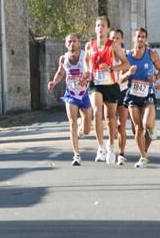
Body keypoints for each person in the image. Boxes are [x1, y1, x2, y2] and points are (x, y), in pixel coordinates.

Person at [84, 16, 129, 164]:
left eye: (103, 25)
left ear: (108, 28)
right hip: (95, 83)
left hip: (110, 84)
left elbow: (126, 64)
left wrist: (110, 68)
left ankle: (111, 146)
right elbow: (86, 61)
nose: (100, 28)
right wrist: (87, 72)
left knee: (110, 118)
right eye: (98, 25)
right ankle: (100, 147)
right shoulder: (89, 45)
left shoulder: (114, 45)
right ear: (95, 28)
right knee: (97, 111)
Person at [122, 28, 160, 168]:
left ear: (146, 39)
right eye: (138, 36)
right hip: (132, 95)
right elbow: (121, 79)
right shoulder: (127, 56)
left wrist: (155, 77)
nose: (140, 39)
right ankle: (143, 156)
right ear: (133, 38)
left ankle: (152, 130)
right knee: (138, 128)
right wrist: (128, 73)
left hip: (147, 94)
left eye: (143, 37)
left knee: (146, 123)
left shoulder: (152, 55)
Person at [47, 33, 93, 166]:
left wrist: (86, 79)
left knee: (86, 130)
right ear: (66, 44)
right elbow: (61, 72)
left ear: (79, 43)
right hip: (71, 94)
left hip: (85, 95)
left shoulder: (85, 56)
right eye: (69, 41)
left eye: (74, 41)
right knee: (71, 122)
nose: (72, 44)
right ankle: (76, 155)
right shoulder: (64, 58)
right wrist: (54, 82)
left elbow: (90, 71)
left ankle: (81, 127)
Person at [111, 29, 130, 165]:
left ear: (122, 39)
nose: (115, 40)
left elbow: (125, 76)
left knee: (122, 125)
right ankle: (111, 147)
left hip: (123, 91)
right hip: (110, 90)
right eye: (112, 38)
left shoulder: (126, 55)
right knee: (111, 123)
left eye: (117, 38)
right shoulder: (105, 53)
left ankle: (121, 154)